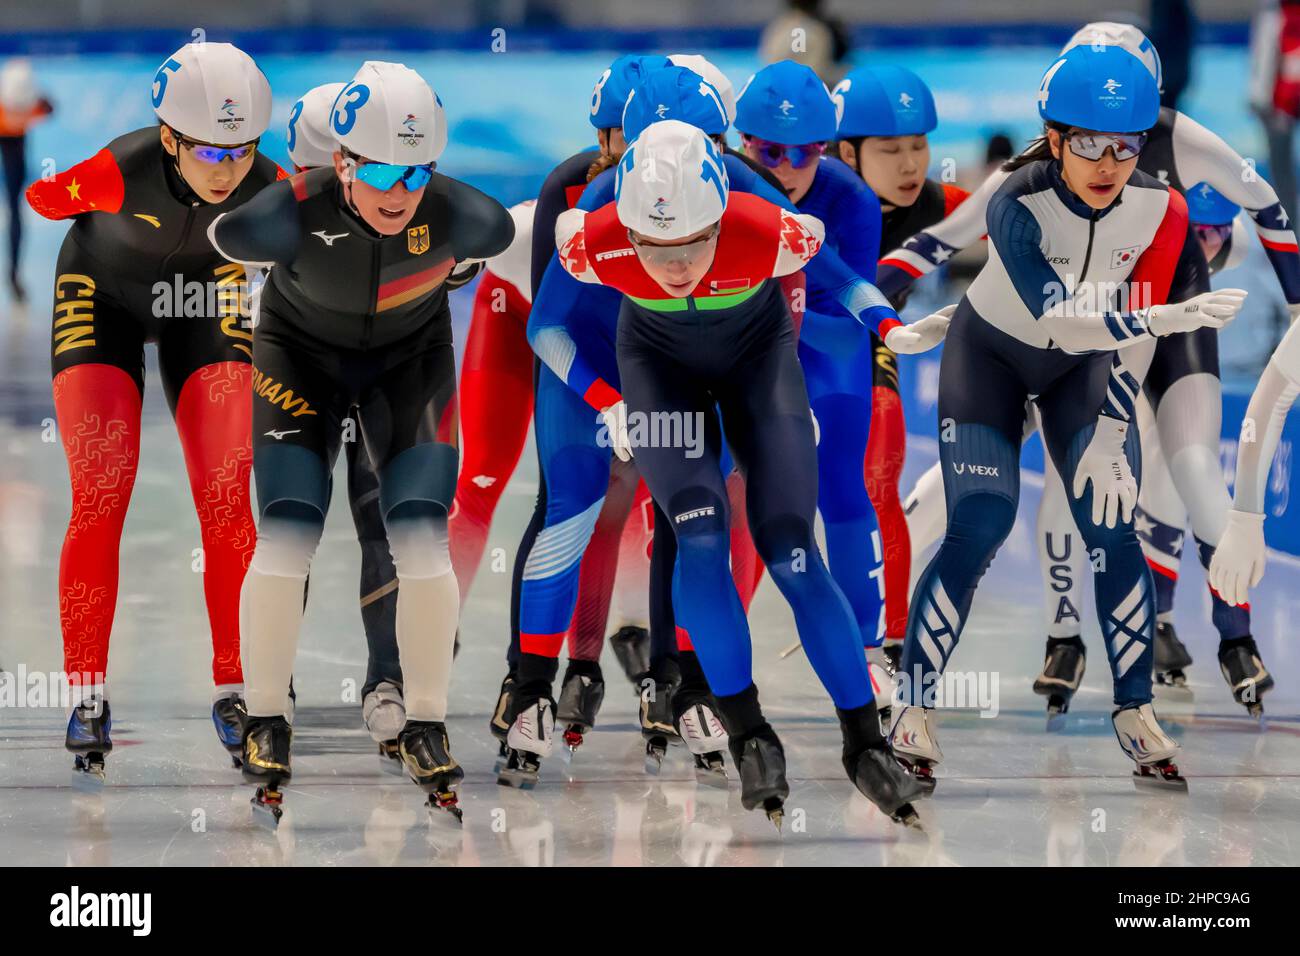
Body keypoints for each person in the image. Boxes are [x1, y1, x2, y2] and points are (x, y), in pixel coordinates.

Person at [881, 22, 1300, 717]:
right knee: (1040, 495)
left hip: (1158, 318)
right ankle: (1065, 634)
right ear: (1057, 136)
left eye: (1127, 141)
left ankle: (1224, 634)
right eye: (1088, 142)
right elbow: (949, 242)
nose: (1108, 161)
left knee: (1184, 471)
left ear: (1149, 119)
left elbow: (1266, 207)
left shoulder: (1175, 168)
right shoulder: (1031, 181)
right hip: (1100, 329)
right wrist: (869, 303)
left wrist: (1294, 306)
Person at [557, 118, 938, 827]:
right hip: (658, 373)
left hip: (760, 368)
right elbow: (543, 325)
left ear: (722, 217)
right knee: (700, 541)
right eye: (654, 247)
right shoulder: (592, 239)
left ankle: (864, 744)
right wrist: (601, 397)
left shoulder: (768, 226)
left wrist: (893, 329)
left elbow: (847, 284)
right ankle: (751, 734)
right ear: (626, 229)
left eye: (695, 243)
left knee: (793, 550)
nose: (674, 266)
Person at [209, 61, 514, 823]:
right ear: (339, 162)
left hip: (409, 364)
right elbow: (220, 230)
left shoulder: (464, 216)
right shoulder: (282, 213)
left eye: (415, 172)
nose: (397, 190)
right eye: (377, 169)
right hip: (298, 359)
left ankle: (427, 717)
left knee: (420, 539)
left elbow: (507, 233)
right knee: (287, 531)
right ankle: (269, 713)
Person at [25, 41, 281, 780]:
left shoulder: (270, 182)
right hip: (99, 297)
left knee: (228, 495)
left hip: (207, 302)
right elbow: (44, 200)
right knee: (101, 494)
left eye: (242, 150)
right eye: (209, 151)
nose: (228, 169)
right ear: (169, 138)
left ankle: (236, 688)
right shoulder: (116, 169)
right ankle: (87, 692)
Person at [283, 81, 490, 768]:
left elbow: (455, 256)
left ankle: (389, 673)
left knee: (380, 519)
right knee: (291, 528)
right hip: (302, 360)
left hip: (383, 367)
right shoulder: (296, 192)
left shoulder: (403, 188)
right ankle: (280, 674)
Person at [733, 60, 897, 711]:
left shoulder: (850, 199)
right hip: (737, 347)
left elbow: (840, 324)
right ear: (744, 145)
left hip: (821, 345)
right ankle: (697, 660)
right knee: (725, 493)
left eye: (807, 151)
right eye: (772, 151)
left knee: (842, 486)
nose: (789, 166)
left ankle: (867, 649)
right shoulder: (721, 186)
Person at [830, 63, 970, 673]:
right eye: (891, 150)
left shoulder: (936, 203)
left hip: (862, 346)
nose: (912, 164)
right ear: (845, 152)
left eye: (919, 146)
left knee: (879, 472)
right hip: (770, 348)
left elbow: (1023, 215)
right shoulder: (816, 198)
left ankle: (888, 645)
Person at [0, 58, 52, 304]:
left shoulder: (40, 106)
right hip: (12, 143)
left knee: (14, 208)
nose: (18, 115)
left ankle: (13, 273)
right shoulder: (35, 107)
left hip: (15, 145)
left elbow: (50, 108)